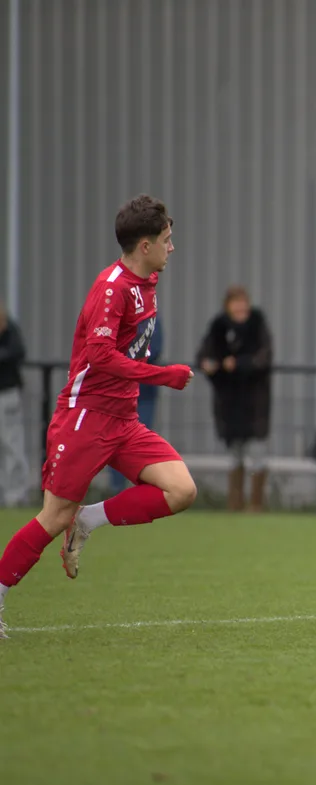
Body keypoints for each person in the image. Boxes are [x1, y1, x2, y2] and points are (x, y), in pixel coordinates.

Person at [0, 194, 197, 639]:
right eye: (167, 240)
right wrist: (161, 375)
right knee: (52, 517)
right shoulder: (114, 288)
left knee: (181, 489)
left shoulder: (145, 282)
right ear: (144, 245)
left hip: (122, 418)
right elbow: (100, 356)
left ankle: (88, 520)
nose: (172, 247)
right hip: (85, 416)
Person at [198, 286, 274, 512]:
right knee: (234, 454)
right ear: (228, 305)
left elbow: (264, 357)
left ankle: (256, 503)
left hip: (255, 403)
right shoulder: (217, 328)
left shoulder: (258, 326)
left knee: (257, 452)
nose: (240, 307)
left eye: (244, 303)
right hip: (228, 403)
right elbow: (204, 356)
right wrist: (210, 365)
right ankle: (235, 502)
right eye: (236, 303)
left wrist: (239, 364)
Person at [106, 311, 163, 494]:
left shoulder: (151, 318)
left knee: (140, 444)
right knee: (113, 444)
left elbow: (155, 350)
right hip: (115, 394)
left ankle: (140, 490)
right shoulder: (112, 317)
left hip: (143, 393)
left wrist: (124, 363)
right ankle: (116, 490)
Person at [0, 302, 29, 507]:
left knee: (12, 444)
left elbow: (17, 353)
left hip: (7, 394)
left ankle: (15, 496)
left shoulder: (10, 331)